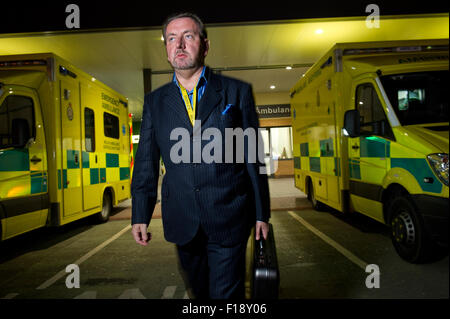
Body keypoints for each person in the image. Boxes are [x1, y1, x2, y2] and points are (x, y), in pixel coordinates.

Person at [131, 12, 271, 299]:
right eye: (172, 38)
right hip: (182, 218)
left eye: (188, 36)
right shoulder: (155, 102)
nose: (179, 44)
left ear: (205, 46)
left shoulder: (236, 92)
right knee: (200, 293)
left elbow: (252, 157)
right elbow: (146, 161)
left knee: (226, 295)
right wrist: (139, 213)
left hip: (229, 215)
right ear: (167, 49)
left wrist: (262, 213)